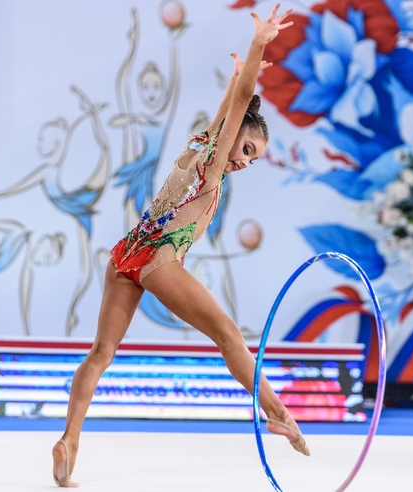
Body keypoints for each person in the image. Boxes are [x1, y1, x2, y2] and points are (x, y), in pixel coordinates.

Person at [52, 4, 307, 487]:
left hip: (126, 253)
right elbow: (241, 103)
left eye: (253, 161)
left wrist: (234, 81)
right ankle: (278, 413)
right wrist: (258, 45)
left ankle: (70, 441)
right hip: (158, 258)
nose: (245, 162)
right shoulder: (213, 160)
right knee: (230, 336)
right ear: (235, 137)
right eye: (247, 150)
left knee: (101, 352)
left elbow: (228, 111)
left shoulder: (201, 144)